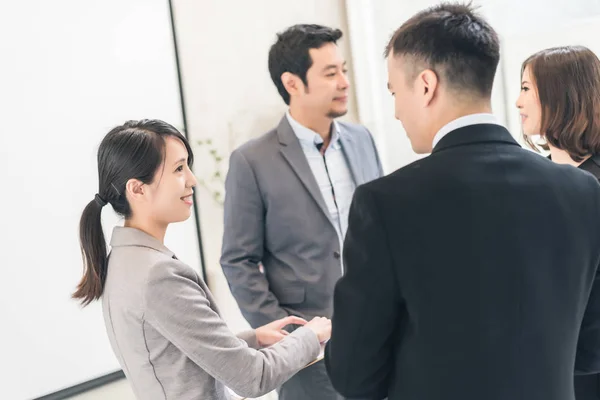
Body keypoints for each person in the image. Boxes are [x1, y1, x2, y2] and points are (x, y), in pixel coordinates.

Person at [324, 4, 600, 400]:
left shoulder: (384, 202)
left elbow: (355, 375)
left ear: (425, 85)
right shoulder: (582, 191)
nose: (397, 111)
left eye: (395, 93)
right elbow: (590, 350)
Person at [72, 119, 331, 400]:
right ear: (137, 189)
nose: (192, 180)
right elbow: (253, 378)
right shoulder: (158, 276)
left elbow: (174, 353)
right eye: (179, 169)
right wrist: (310, 335)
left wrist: (253, 338)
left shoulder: (124, 260)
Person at [220, 24, 383, 400]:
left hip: (376, 330)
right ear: (292, 83)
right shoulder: (252, 161)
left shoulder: (362, 140)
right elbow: (238, 259)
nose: (344, 82)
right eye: (330, 73)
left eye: (343, 70)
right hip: (307, 346)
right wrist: (288, 335)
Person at [517, 45, 600, 400]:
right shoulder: (525, 180)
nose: (518, 103)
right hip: (542, 367)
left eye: (525, 89)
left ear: (559, 95)